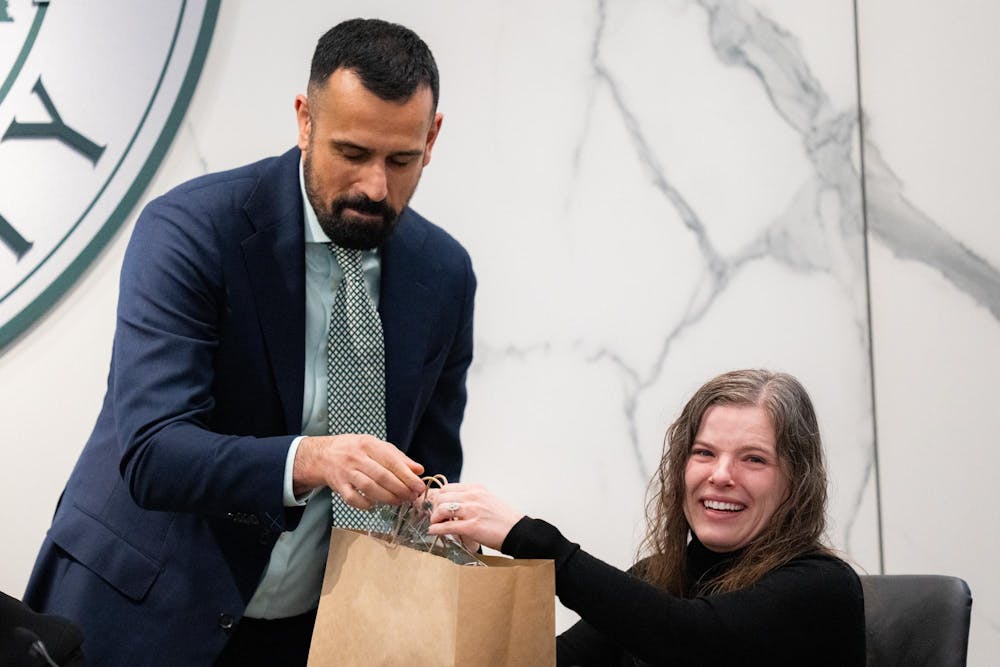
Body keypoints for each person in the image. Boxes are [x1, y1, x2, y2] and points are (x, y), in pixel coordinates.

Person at [25, 18, 475, 666]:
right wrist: (311, 459)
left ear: (431, 138)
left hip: (307, 633)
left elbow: (427, 464)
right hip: (141, 609)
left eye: (401, 159)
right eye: (351, 152)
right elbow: (154, 449)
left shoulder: (445, 274)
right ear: (304, 120)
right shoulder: (190, 229)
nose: (376, 187)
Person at [429, 369, 865, 666]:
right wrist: (469, 561)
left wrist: (527, 538)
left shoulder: (821, 586)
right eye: (704, 453)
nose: (720, 475)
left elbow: (687, 641)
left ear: (796, 480)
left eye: (753, 459)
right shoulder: (656, 579)